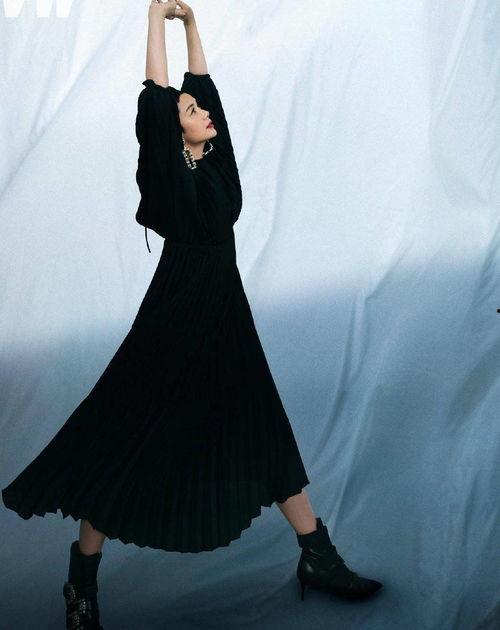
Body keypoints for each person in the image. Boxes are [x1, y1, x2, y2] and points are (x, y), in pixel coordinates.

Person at [1, 1, 383, 627]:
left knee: (262, 427)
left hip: (227, 317)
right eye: (190, 111)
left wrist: (192, 26)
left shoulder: (218, 165)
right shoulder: (164, 174)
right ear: (173, 131)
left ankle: (318, 556)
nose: (202, 112)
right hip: (173, 319)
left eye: (201, 109)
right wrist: (155, 19)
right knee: (125, 438)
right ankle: (81, 584)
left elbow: (200, 86)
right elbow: (156, 98)